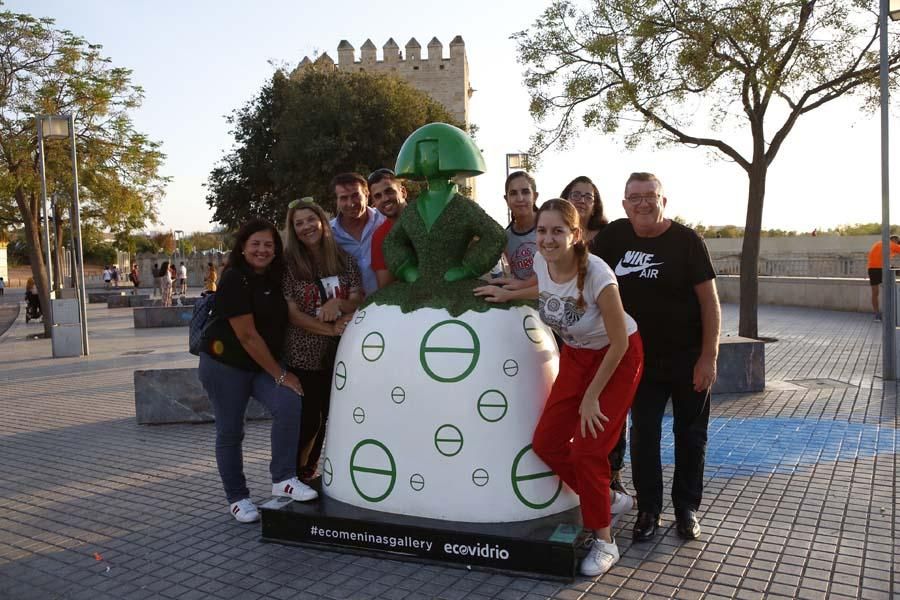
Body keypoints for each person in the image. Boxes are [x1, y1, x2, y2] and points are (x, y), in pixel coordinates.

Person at [591, 172, 720, 543]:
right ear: (625, 204)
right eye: (636, 197)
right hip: (638, 361)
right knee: (643, 435)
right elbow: (582, 276)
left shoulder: (687, 241)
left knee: (690, 436)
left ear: (664, 201)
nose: (643, 202)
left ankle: (686, 508)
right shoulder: (613, 238)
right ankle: (648, 508)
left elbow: (709, 303)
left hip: (687, 358)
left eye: (651, 195)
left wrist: (708, 357)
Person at [527, 198, 643, 577]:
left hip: (617, 356)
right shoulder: (540, 263)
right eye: (542, 230)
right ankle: (606, 498)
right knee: (546, 442)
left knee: (589, 450)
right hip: (578, 356)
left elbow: (620, 342)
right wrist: (503, 293)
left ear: (575, 235)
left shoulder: (597, 274)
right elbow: (536, 289)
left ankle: (606, 542)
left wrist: (592, 396)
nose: (547, 238)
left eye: (557, 231)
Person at [197, 218, 316, 524]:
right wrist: (280, 374)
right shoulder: (234, 278)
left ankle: (284, 478)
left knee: (289, 402)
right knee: (231, 431)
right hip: (225, 366)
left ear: (276, 250)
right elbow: (247, 336)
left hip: (261, 365)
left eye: (268, 244)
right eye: (255, 244)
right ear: (243, 247)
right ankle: (237, 498)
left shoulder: (276, 277)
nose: (262, 250)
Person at [282, 199, 361, 481]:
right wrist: (330, 329)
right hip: (304, 354)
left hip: (340, 354)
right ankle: (292, 475)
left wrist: (338, 303)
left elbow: (357, 299)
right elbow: (292, 314)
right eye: (298, 223)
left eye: (310, 220)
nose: (306, 227)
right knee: (308, 420)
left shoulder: (342, 259)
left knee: (328, 416)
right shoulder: (289, 265)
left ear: (322, 222)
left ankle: (309, 471)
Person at [329, 172, 386, 297]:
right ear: (337, 201)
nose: (351, 203)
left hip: (391, 302)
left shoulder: (384, 219)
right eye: (344, 198)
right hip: (353, 312)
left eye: (355, 195)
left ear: (366, 195)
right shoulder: (328, 235)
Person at [367, 169, 408, 289]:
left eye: (389, 191)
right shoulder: (380, 236)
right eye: (378, 196)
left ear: (403, 192)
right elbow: (386, 286)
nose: (385, 199)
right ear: (374, 202)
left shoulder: (427, 216)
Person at [503, 171, 539, 281]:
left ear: (535, 196)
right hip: (521, 297)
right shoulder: (505, 238)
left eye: (525, 192)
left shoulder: (551, 228)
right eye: (513, 193)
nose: (520, 198)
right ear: (506, 199)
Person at [561, 176, 608, 244]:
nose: (582, 201)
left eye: (588, 197)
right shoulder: (553, 232)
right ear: (565, 200)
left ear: (595, 207)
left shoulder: (607, 234)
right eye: (576, 195)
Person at [866, 235, 900, 321]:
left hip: (872, 269)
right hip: (882, 269)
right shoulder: (892, 244)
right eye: (898, 242)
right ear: (894, 240)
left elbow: (879, 258)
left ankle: (877, 314)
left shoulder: (878, 244)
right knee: (890, 289)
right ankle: (890, 312)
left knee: (875, 292)